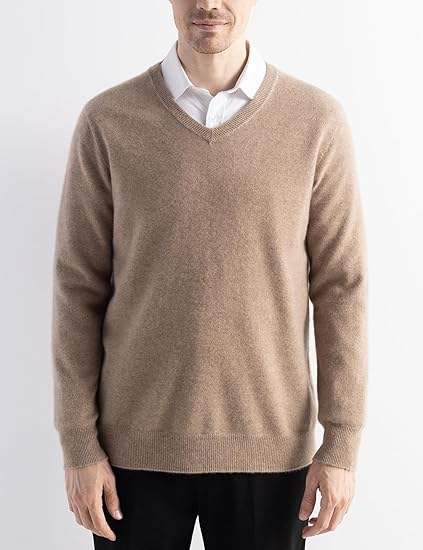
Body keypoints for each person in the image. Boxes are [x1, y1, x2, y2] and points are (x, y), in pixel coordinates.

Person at [51, 1, 368, 548]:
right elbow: (78, 290)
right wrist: (79, 443)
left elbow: (342, 287)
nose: (208, 3)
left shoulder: (315, 120)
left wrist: (342, 441)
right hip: (131, 456)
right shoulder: (108, 120)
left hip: (270, 452)